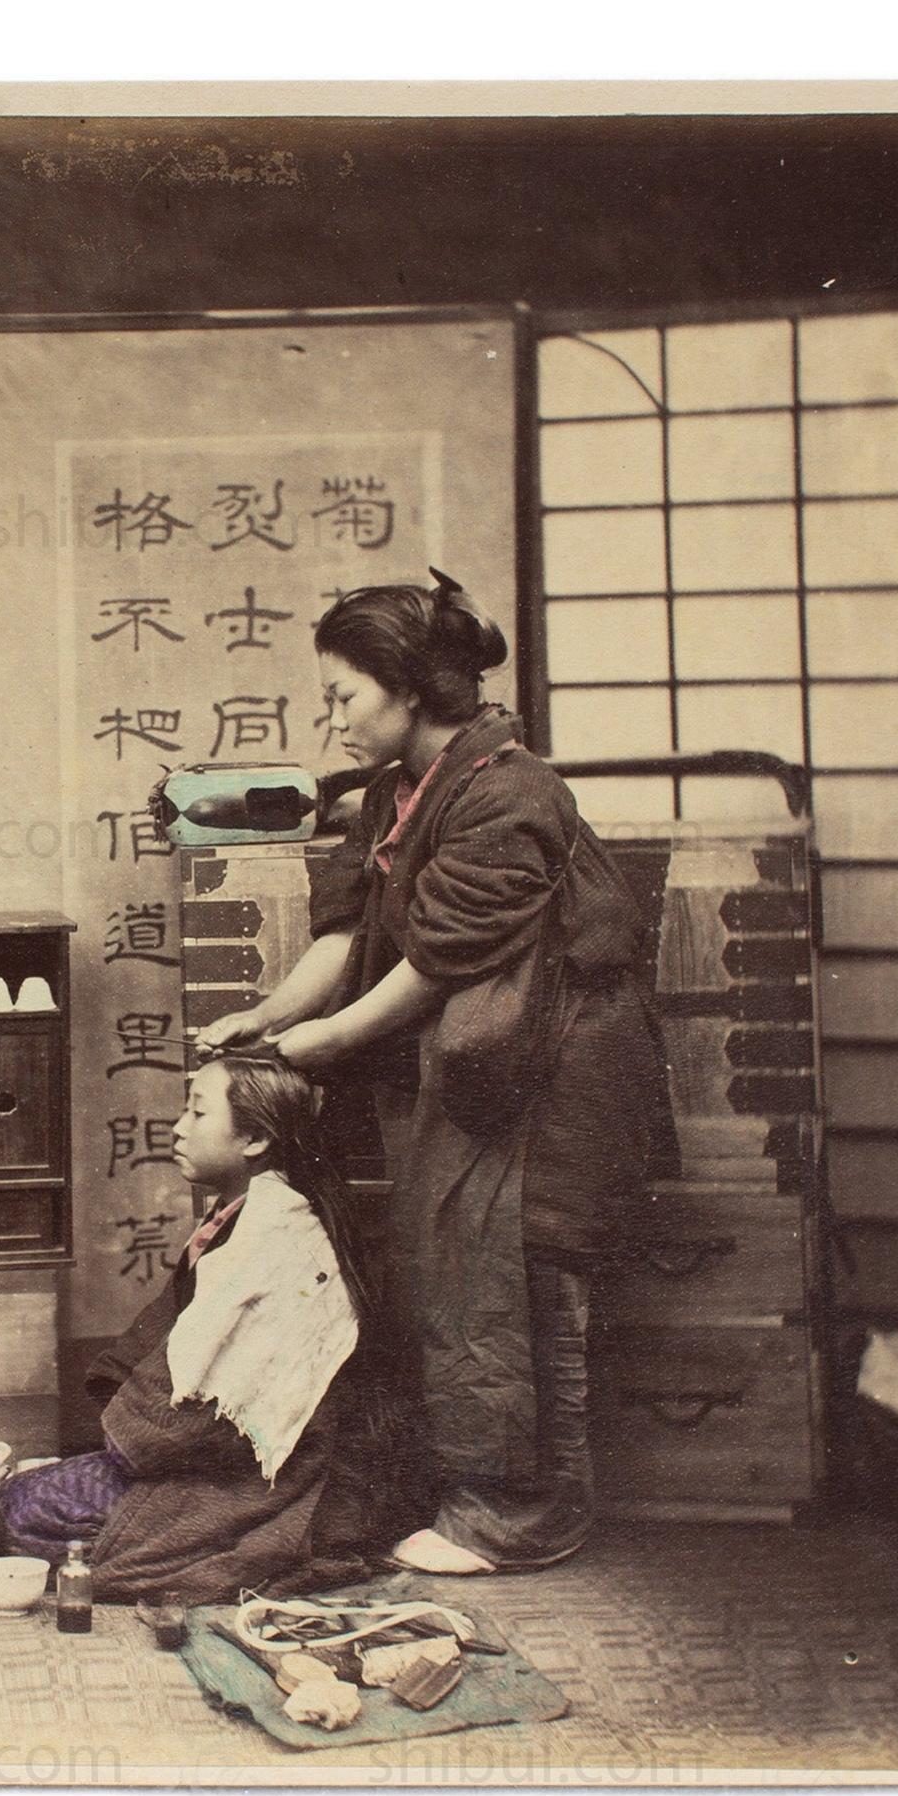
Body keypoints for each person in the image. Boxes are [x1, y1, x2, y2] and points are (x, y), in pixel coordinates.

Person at [197, 569, 674, 1574]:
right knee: (461, 1278)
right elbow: (348, 932)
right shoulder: (393, 791)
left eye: (343, 694)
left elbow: (438, 958)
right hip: (484, 1067)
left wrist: (331, 1041)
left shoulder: (512, 791)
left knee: (525, 1286)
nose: (331, 715)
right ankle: (484, 1495)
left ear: (408, 689)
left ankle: (528, 1516)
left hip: (554, 1074)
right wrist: (272, 1014)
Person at [0, 1054, 422, 1604]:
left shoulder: (280, 1237)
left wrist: (135, 1440)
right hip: (213, 1459)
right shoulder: (240, 1216)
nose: (178, 1128)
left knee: (22, 1511)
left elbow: (216, 1412)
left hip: (276, 1482)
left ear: (255, 1140)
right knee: (16, 1495)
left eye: (198, 1113)